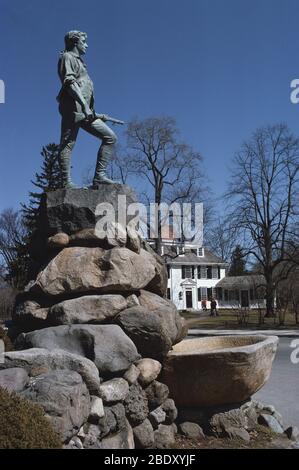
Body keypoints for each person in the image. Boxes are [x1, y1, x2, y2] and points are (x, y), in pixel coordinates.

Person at [57, 30, 121, 188]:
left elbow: (83, 89)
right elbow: (70, 83)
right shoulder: (68, 57)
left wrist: (94, 112)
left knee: (110, 137)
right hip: (72, 109)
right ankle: (66, 183)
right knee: (67, 143)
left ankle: (99, 176)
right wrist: (85, 106)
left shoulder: (80, 62)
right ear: (75, 42)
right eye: (83, 41)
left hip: (85, 111)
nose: (86, 45)